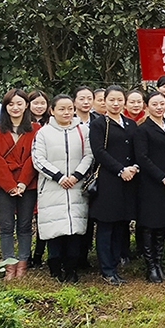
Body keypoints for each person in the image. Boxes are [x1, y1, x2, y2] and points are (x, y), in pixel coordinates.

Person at [31, 95, 93, 282]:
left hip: (76, 186)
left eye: (69, 108)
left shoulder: (83, 130)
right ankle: (55, 266)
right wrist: (58, 176)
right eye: (61, 109)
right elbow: (38, 159)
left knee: (74, 228)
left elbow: (89, 156)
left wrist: (76, 176)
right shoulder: (43, 132)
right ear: (52, 111)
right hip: (51, 187)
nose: (66, 112)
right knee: (54, 228)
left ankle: (72, 269)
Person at [0, 89, 39, 279]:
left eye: (19, 103)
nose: (15, 107)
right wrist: (9, 185)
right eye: (10, 104)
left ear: (26, 105)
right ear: (5, 107)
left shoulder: (36, 129)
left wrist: (23, 183)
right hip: (1, 185)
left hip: (28, 183)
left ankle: (23, 265)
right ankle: (9, 265)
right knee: (6, 226)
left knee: (25, 225)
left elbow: (34, 158)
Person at [89, 85, 140, 285]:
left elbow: (137, 149)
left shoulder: (130, 124)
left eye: (120, 100)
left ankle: (116, 264)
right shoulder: (99, 124)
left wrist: (134, 167)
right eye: (112, 100)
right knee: (106, 225)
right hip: (109, 180)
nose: (116, 103)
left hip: (129, 180)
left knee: (121, 224)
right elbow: (99, 151)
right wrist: (120, 169)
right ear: (105, 101)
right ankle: (107, 269)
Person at [134, 91, 165, 283]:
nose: (159, 107)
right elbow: (142, 158)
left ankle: (159, 263)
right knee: (149, 225)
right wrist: (162, 177)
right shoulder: (142, 129)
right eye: (155, 104)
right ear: (147, 106)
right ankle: (150, 266)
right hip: (151, 183)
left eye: (162, 103)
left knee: (163, 224)